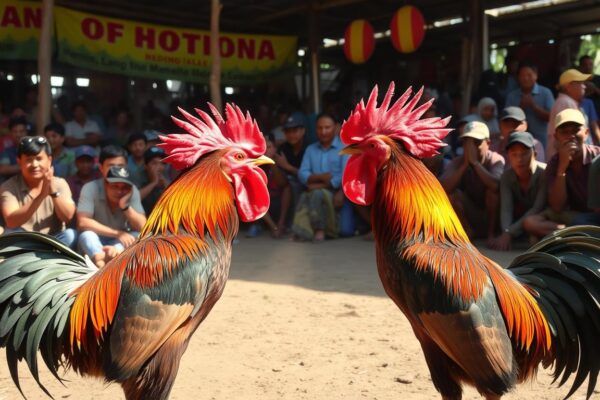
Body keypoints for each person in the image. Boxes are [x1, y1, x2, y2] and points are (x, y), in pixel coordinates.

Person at [523, 109, 600, 235]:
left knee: (580, 222)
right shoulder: (555, 163)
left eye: (576, 130)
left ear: (586, 133)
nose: (571, 136)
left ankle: (569, 235)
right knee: (530, 222)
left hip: (593, 217)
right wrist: (562, 168)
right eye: (564, 132)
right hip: (573, 215)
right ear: (556, 137)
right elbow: (557, 207)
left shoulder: (597, 157)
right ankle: (572, 234)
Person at [0, 135, 77, 247]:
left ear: (49, 160)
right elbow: (11, 222)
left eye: (39, 159)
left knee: (71, 235)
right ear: (19, 161)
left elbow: (68, 217)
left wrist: (52, 190)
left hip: (53, 241)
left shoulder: (60, 183)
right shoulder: (8, 187)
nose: (35, 164)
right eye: (28, 160)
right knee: (10, 234)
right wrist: (41, 196)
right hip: (23, 240)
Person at [77, 146, 146, 268]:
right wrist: (117, 233)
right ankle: (101, 260)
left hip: (119, 244)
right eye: (111, 166)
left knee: (138, 235)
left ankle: (105, 258)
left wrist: (125, 206)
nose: (117, 170)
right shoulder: (91, 188)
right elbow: (83, 222)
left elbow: (143, 227)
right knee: (87, 235)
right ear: (101, 168)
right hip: (97, 240)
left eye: (121, 166)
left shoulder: (131, 189)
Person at [440, 121, 505, 242]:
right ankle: (467, 230)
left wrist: (475, 164)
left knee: (492, 194)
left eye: (476, 142)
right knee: (451, 195)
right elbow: (443, 189)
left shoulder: (496, 160)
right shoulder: (458, 162)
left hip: (492, 216)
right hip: (471, 213)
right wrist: (465, 165)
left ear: (488, 143)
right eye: (466, 142)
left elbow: (495, 186)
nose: (471, 147)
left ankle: (491, 234)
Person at [292, 113, 349, 241]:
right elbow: (302, 173)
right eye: (319, 128)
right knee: (312, 194)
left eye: (327, 127)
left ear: (336, 127)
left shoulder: (344, 148)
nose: (323, 131)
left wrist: (318, 184)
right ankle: (316, 230)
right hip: (315, 190)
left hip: (337, 192)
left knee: (346, 230)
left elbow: (345, 175)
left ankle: (317, 230)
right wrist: (321, 177)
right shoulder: (310, 149)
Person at [489, 132, 547, 250]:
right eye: (514, 154)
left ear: (535, 154)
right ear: (509, 157)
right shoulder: (507, 176)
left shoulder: (544, 173)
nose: (519, 159)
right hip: (520, 220)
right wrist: (506, 231)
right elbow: (506, 208)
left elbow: (538, 207)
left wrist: (509, 233)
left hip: (542, 217)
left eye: (524, 153)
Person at [246, 134, 291, 238]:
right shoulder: (254, 163)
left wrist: (271, 162)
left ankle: (281, 224)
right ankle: (273, 227)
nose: (266, 151)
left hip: (278, 204)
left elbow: (282, 184)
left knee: (287, 188)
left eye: (269, 147)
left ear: (275, 148)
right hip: (262, 207)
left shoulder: (280, 160)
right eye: (263, 148)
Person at [546, 68, 595, 159]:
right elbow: (566, 139)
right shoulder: (565, 102)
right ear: (569, 86)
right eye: (581, 83)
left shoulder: (566, 101)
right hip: (565, 160)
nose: (584, 86)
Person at [505, 61, 554, 149]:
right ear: (518, 78)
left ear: (536, 76)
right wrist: (521, 108)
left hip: (543, 141)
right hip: (518, 142)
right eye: (522, 75)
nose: (526, 78)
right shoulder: (512, 96)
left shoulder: (546, 93)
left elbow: (551, 117)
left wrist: (533, 106)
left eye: (529, 75)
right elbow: (507, 122)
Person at [275, 111, 307, 224]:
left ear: (303, 131)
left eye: (295, 131)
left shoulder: (310, 147)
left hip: (306, 184)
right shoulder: (283, 148)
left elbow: (309, 176)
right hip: (285, 186)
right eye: (288, 131)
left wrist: (288, 167)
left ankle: (296, 223)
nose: (291, 135)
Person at [139, 146, 170, 214]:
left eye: (162, 163)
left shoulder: (167, 182)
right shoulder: (139, 179)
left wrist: (164, 183)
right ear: (145, 166)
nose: (159, 167)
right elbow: (134, 199)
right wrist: (153, 183)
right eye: (154, 163)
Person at [0, 116, 28, 182]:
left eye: (21, 131)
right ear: (10, 133)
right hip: (12, 188)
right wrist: (28, 166)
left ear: (26, 132)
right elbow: (3, 169)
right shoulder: (7, 152)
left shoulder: (34, 149)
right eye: (15, 132)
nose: (18, 134)